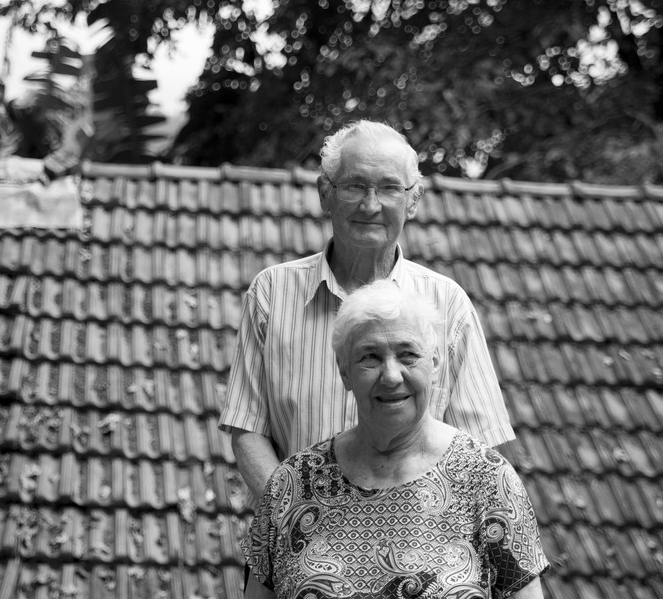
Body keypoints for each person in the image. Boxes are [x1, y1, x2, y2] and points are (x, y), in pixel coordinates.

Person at [229, 281, 559, 599]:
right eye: (369, 357)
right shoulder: (293, 483)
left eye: (408, 355)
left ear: (435, 364)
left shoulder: (485, 477)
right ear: (344, 372)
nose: (391, 375)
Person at [219, 120, 517, 502]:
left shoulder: (447, 304)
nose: (371, 204)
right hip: (299, 544)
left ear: (413, 200)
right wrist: (293, 523)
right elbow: (248, 429)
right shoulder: (272, 294)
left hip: (416, 545)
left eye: (390, 188)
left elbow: (481, 450)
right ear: (325, 193)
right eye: (355, 185)